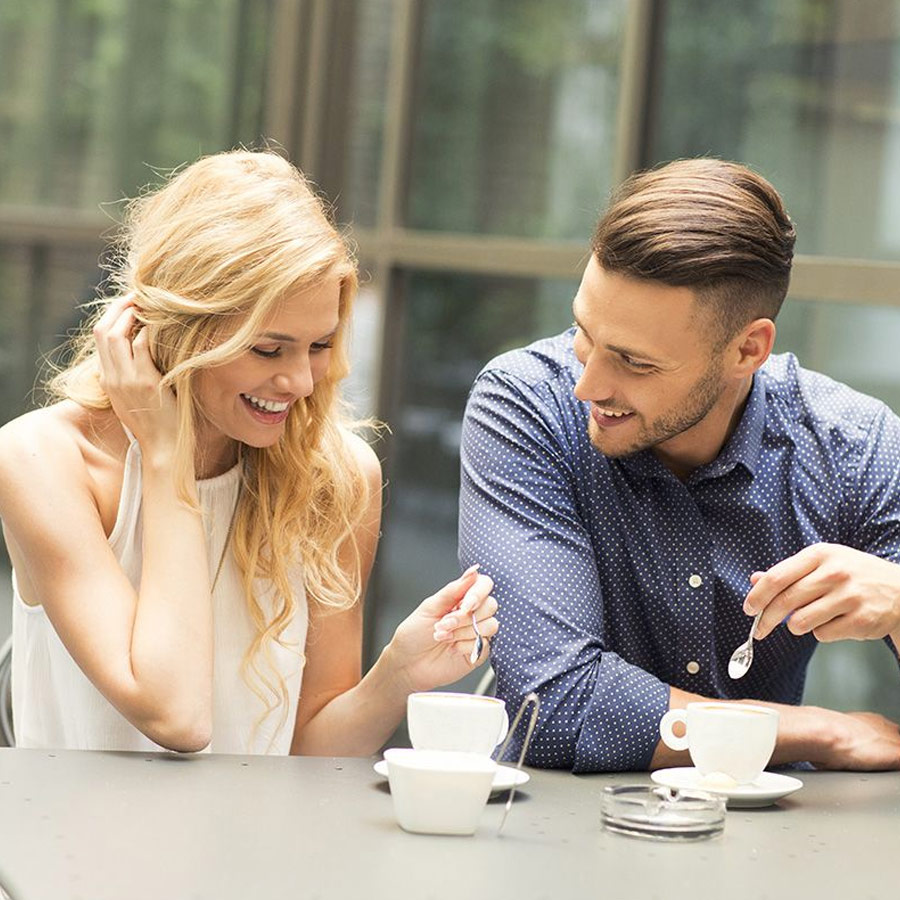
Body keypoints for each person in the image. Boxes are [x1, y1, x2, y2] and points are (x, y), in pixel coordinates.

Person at [0, 149, 497, 755]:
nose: (302, 382)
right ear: (172, 329)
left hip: (256, 849)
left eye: (319, 345)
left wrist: (395, 677)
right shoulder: (42, 460)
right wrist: (165, 455)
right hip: (74, 847)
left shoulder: (337, 478)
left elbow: (310, 752)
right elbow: (175, 714)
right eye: (267, 349)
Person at [459, 158, 900, 773]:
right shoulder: (526, 405)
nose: (587, 385)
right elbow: (552, 709)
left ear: (748, 349)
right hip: (550, 833)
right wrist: (819, 732)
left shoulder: (851, 446)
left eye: (634, 362)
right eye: (584, 333)